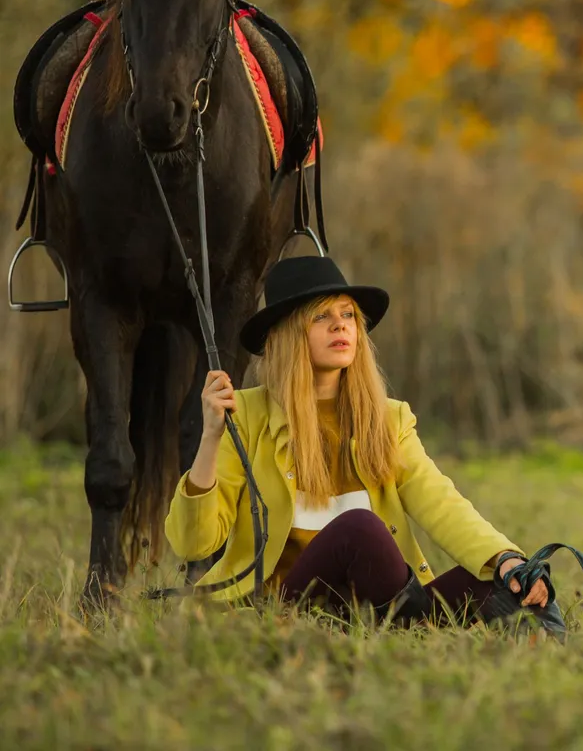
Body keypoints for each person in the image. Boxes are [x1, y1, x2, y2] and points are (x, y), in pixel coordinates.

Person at [164, 255, 562, 633]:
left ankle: (481, 634)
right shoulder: (247, 416)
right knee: (359, 529)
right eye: (321, 316)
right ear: (285, 333)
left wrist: (507, 559)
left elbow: (441, 503)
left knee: (504, 579)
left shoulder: (388, 418)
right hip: (286, 610)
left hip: (379, 604)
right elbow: (194, 543)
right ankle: (410, 631)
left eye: (348, 315)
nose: (341, 326)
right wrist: (211, 436)